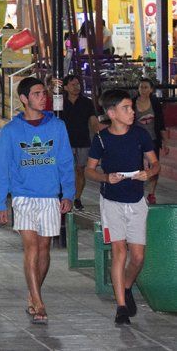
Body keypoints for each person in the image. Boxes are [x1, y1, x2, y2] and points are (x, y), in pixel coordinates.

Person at [0, 77, 75, 325]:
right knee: (31, 247)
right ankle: (39, 302)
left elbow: (65, 161)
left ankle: (33, 292)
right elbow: (2, 168)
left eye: (44, 93)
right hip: (23, 197)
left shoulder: (57, 126)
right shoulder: (10, 130)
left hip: (50, 196)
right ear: (24, 98)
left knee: (44, 248)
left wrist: (68, 193)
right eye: (37, 93)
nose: (43, 97)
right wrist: (0, 203)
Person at [87, 89, 159, 325]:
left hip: (136, 200)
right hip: (111, 202)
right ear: (112, 113)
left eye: (131, 107)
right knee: (119, 251)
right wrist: (106, 178)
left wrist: (148, 173)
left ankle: (126, 287)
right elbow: (89, 170)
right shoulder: (101, 139)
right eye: (126, 108)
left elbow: (155, 163)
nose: (132, 112)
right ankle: (120, 307)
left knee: (137, 257)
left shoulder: (140, 135)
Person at [60, 74, 98, 211]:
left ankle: (77, 198)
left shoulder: (87, 102)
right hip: (65, 142)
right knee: (66, 171)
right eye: (73, 85)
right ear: (65, 87)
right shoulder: (60, 102)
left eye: (78, 84)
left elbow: (93, 121)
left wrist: (99, 134)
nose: (76, 87)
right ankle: (66, 197)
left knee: (80, 170)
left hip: (83, 141)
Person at [134, 78, 165, 204]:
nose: (143, 90)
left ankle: (151, 193)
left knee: (154, 166)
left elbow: (161, 123)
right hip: (136, 140)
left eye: (146, 87)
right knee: (137, 166)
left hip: (153, 139)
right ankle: (138, 192)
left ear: (151, 89)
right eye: (141, 87)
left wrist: (165, 142)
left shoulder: (155, 102)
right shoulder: (132, 102)